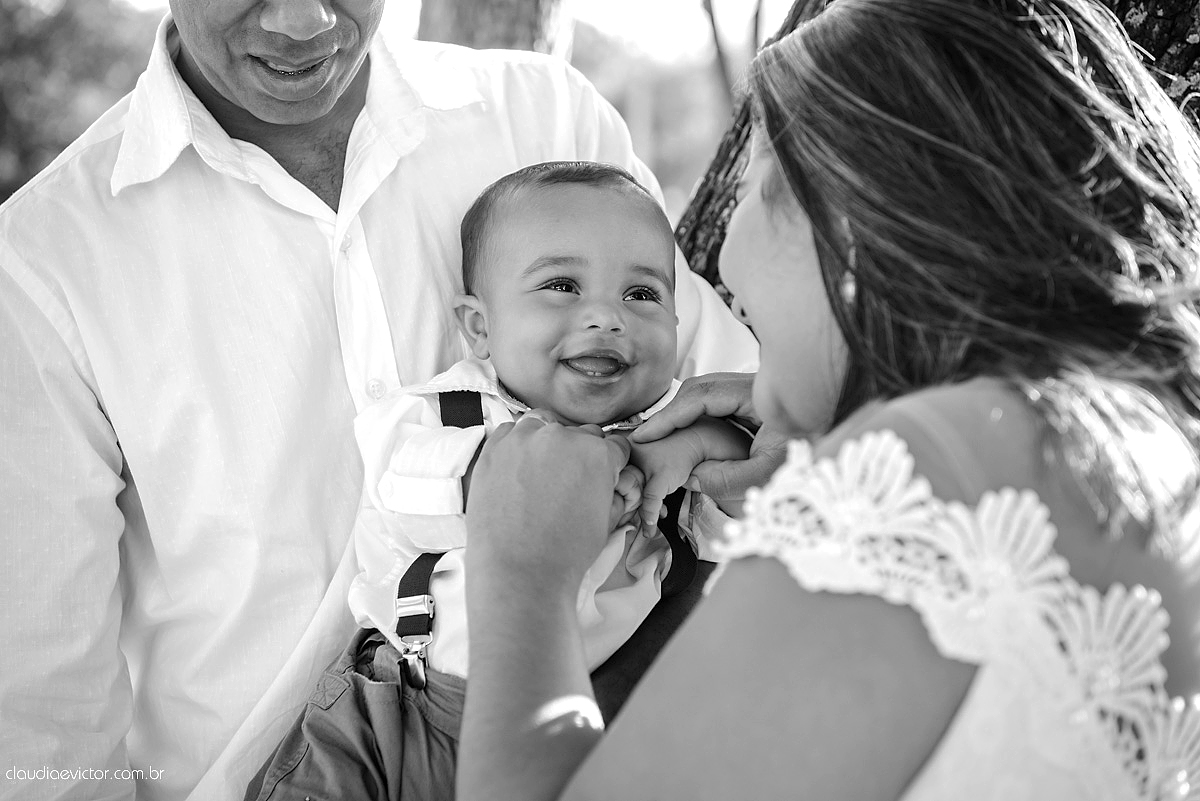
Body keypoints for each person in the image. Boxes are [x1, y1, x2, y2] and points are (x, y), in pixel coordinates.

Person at [0, 3, 760, 800]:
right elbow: (42, 717)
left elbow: (742, 416)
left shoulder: (546, 118)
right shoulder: (41, 266)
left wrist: (673, 455)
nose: (302, 21)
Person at [453, 0, 1200, 798]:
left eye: (756, 189)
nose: (722, 254)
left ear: (859, 223)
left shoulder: (914, 482)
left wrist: (522, 573)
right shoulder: (1139, 436)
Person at [245, 160, 750, 800]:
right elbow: (401, 488)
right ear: (481, 328)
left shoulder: (669, 424)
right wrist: (508, 469)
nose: (607, 317)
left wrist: (700, 446)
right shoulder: (442, 413)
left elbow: (751, 504)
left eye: (642, 294)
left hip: (602, 709)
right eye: (563, 286)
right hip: (410, 706)